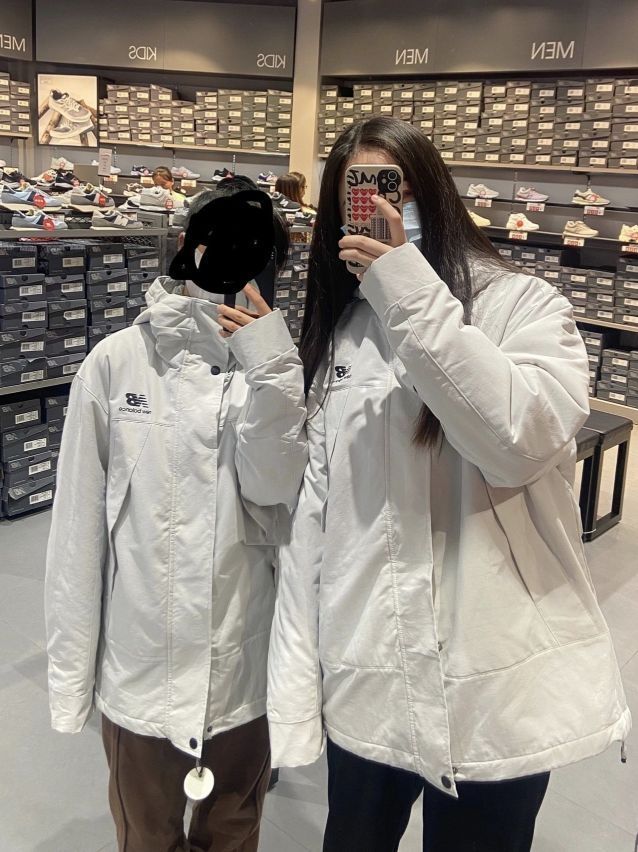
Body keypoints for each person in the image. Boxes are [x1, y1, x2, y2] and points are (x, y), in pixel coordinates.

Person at [267, 117, 631, 852]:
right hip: (369, 670)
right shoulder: (343, 336)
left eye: (395, 190)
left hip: (494, 682)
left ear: (433, 192)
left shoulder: (522, 304)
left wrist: (406, 289)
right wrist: (297, 683)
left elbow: (517, 442)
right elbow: (315, 522)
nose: (381, 208)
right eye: (359, 194)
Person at [45, 178, 308, 852]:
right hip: (143, 679)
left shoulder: (276, 369)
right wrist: (73, 678)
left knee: (233, 834)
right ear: (189, 246)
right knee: (146, 836)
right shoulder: (116, 364)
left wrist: (275, 377)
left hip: (242, 675)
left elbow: (277, 498)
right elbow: (77, 535)